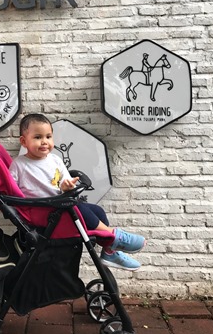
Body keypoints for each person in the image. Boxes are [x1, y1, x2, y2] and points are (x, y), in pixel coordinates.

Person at [10, 113, 146, 271]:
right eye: (38, 137)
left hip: (59, 205)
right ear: (23, 141)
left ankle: (109, 251)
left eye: (48, 136)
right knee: (79, 209)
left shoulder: (55, 160)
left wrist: (66, 187)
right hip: (41, 211)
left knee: (98, 211)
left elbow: (65, 182)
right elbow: (11, 188)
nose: (44, 142)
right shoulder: (19, 165)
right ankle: (113, 236)